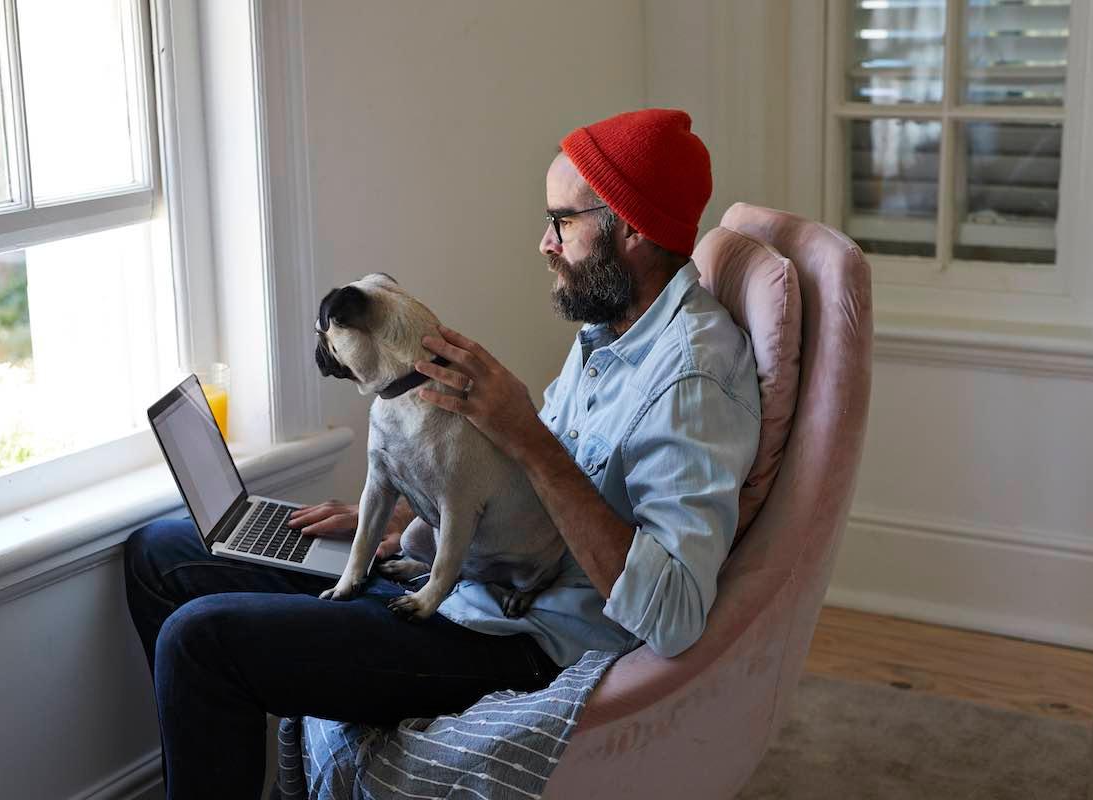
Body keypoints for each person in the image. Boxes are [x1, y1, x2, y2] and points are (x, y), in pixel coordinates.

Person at [123, 107, 760, 798]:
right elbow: (513, 491)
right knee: (162, 554)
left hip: (516, 636)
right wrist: (398, 523)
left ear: (630, 228)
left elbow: (671, 615)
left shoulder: (692, 380)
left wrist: (524, 432)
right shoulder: (613, 330)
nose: (544, 243)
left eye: (562, 222)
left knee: (199, 640)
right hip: (461, 571)